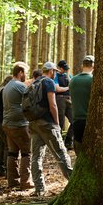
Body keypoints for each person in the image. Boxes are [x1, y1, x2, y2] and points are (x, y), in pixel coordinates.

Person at [29, 62, 73, 196]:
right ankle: (72, 181)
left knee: (36, 156)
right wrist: (57, 123)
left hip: (33, 123)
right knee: (60, 152)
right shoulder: (48, 82)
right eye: (54, 71)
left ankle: (39, 189)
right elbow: (53, 104)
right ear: (52, 71)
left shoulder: (33, 83)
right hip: (47, 123)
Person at [3, 62, 34, 190]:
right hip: (19, 124)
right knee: (27, 152)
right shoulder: (18, 85)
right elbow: (31, 97)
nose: (25, 76)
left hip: (8, 123)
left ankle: (13, 181)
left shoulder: (8, 85)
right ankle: (26, 182)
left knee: (12, 152)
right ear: (20, 72)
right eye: (25, 73)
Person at [68, 55, 95, 152]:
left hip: (76, 121)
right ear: (94, 66)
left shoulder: (72, 81)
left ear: (82, 66)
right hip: (91, 122)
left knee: (79, 153)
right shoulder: (94, 81)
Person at [55, 60, 74, 149]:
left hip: (69, 99)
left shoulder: (68, 75)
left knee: (74, 120)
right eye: (63, 68)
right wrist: (67, 88)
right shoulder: (56, 76)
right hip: (60, 99)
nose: (64, 70)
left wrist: (68, 76)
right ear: (59, 68)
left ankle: (68, 140)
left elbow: (73, 85)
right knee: (60, 122)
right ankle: (59, 144)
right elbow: (57, 89)